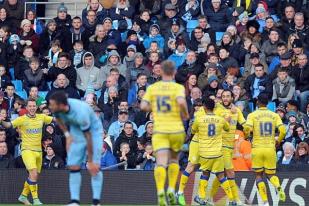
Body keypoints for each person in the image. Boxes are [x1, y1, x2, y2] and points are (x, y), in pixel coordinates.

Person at [140, 60, 189, 205]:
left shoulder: (153, 88)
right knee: (174, 160)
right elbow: (181, 102)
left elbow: (143, 105)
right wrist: (185, 114)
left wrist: (154, 108)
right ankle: (171, 189)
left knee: (160, 163)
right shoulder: (177, 88)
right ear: (174, 73)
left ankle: (160, 190)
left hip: (160, 130)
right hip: (176, 129)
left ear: (160, 72)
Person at [48, 91, 103, 206]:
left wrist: (91, 160)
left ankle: (96, 202)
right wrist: (68, 135)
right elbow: (58, 120)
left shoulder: (81, 112)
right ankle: (74, 201)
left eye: (52, 104)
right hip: (76, 132)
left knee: (94, 168)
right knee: (73, 166)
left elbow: (88, 138)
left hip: (93, 133)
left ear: (61, 105)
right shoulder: (57, 111)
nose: (50, 107)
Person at [0, 98, 53, 205]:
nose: (32, 108)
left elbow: (54, 119)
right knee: (33, 173)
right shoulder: (22, 119)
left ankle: (23, 196)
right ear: (27, 107)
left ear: (37, 107)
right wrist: (1, 121)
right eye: (30, 106)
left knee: (34, 176)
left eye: (34, 106)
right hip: (27, 150)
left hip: (39, 151)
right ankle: (36, 199)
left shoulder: (42, 117)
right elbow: (8, 125)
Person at [190, 98, 236, 205]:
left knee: (205, 174)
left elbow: (193, 130)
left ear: (204, 107)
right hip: (218, 153)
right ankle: (232, 199)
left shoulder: (199, 119)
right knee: (221, 176)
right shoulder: (220, 120)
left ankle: (201, 197)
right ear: (214, 107)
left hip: (205, 153)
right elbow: (228, 129)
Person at [244, 94, 287, 206]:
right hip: (270, 148)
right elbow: (283, 130)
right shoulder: (274, 115)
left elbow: (247, 128)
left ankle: (265, 202)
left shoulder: (252, 115)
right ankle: (277, 186)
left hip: (257, 148)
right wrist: (279, 141)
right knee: (271, 174)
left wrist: (247, 136)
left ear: (257, 102)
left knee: (258, 175)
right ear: (267, 103)